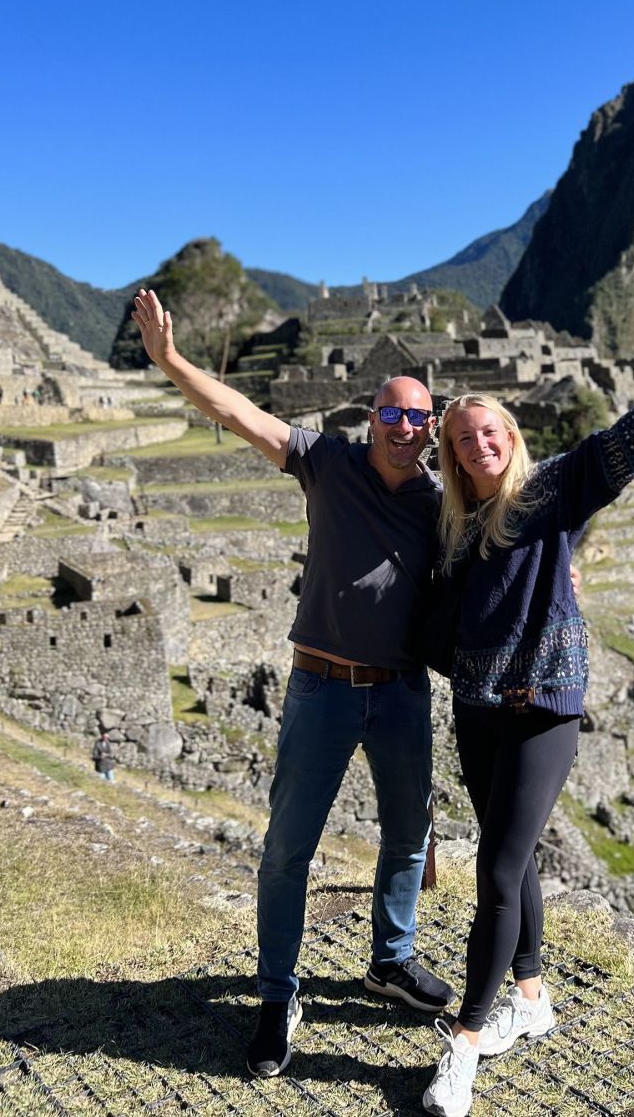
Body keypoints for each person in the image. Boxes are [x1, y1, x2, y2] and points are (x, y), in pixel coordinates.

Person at [130, 288, 454, 1080]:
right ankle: (279, 994)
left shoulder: (440, 502)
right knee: (287, 851)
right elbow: (243, 415)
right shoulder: (327, 462)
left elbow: (511, 527)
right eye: (392, 415)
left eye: (419, 418)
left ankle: (391, 959)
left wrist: (568, 570)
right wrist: (171, 360)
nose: (405, 429)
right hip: (322, 687)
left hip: (403, 691)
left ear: (432, 427)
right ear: (369, 419)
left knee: (408, 833)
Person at [421, 309, 634, 1117]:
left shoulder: (549, 491)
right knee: (511, 863)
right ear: (451, 454)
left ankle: (464, 1044)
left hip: (541, 712)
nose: (476, 446)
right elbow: (436, 631)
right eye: (461, 439)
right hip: (478, 714)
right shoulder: (452, 533)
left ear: (508, 436)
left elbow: (621, 447)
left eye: (486, 433)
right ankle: (532, 994)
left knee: (491, 871)